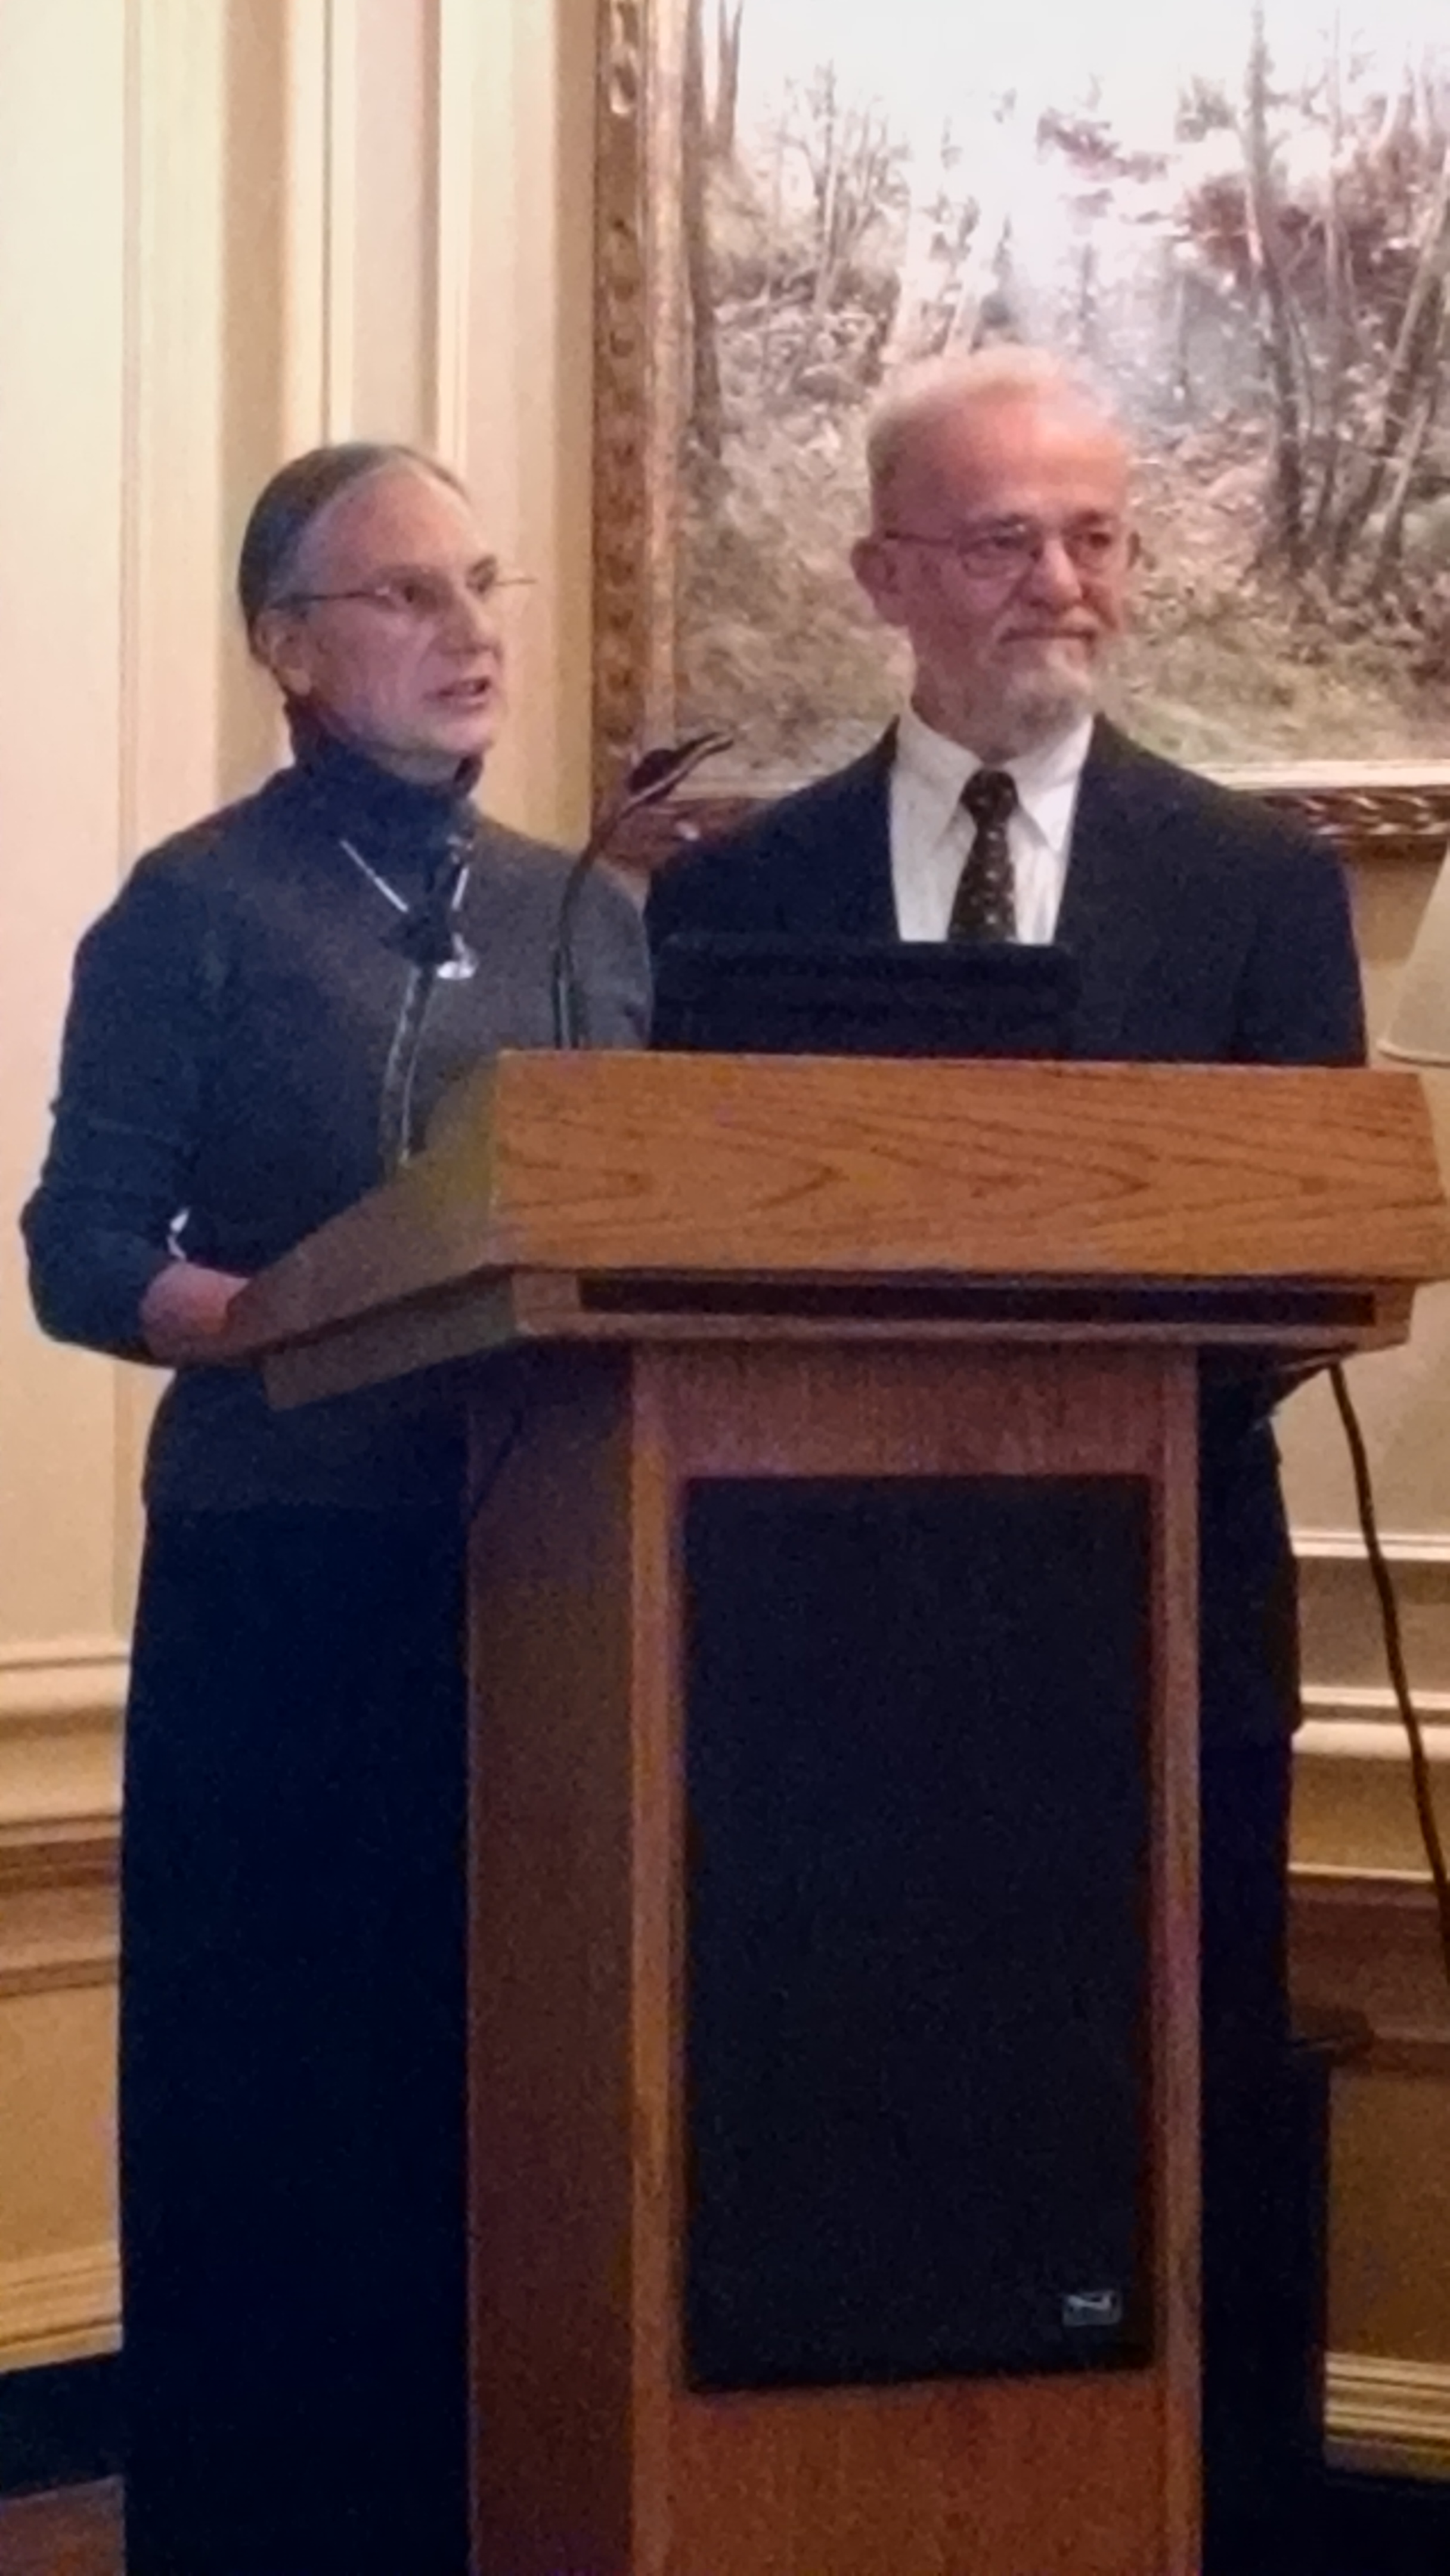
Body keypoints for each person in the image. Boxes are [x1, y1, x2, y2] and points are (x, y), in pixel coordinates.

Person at [647, 346, 1365, 2567]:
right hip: (815, 1620)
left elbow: (1309, 1254)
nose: (1062, 582)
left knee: (1152, 2068)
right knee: (851, 2086)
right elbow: (688, 1246)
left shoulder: (1255, 882)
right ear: (886, 574)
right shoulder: (731, 895)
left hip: (1154, 1598)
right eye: (1002, 539)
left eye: (1095, 536)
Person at [23, 441, 649, 2576]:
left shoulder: (592, 915)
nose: (472, 631)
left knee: (501, 2106)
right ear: (288, 649)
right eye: (405, 595)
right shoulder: (197, 907)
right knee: (284, 2110)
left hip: (552, 1614)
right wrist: (295, 1314)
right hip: (288, 1605)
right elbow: (85, 1249)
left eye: (484, 583)